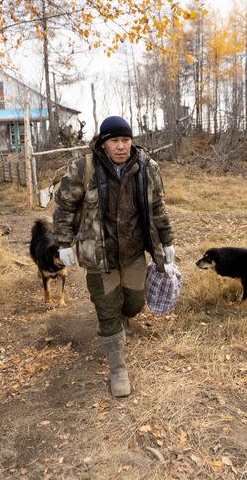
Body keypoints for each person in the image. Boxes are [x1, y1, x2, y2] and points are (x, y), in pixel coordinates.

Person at [53, 116, 175, 397]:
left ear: (131, 141)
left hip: (133, 252)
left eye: (125, 140)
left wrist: (167, 240)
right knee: (106, 310)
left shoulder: (147, 167)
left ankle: (123, 319)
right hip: (100, 257)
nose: (120, 146)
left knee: (134, 302)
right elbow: (64, 207)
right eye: (114, 140)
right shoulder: (84, 168)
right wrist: (64, 243)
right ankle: (118, 368)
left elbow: (158, 206)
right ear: (103, 143)